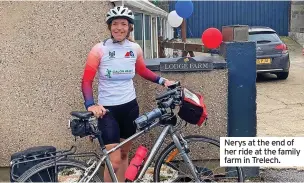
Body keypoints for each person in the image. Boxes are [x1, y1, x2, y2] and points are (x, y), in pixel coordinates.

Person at [81, 6, 175, 182]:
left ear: (130, 27)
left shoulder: (134, 48)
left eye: (123, 24)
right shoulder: (99, 49)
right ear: (109, 27)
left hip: (130, 107)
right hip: (107, 111)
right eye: (114, 24)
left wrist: (163, 81)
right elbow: (86, 80)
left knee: (124, 154)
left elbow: (142, 70)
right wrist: (90, 104)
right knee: (113, 161)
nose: (119, 28)